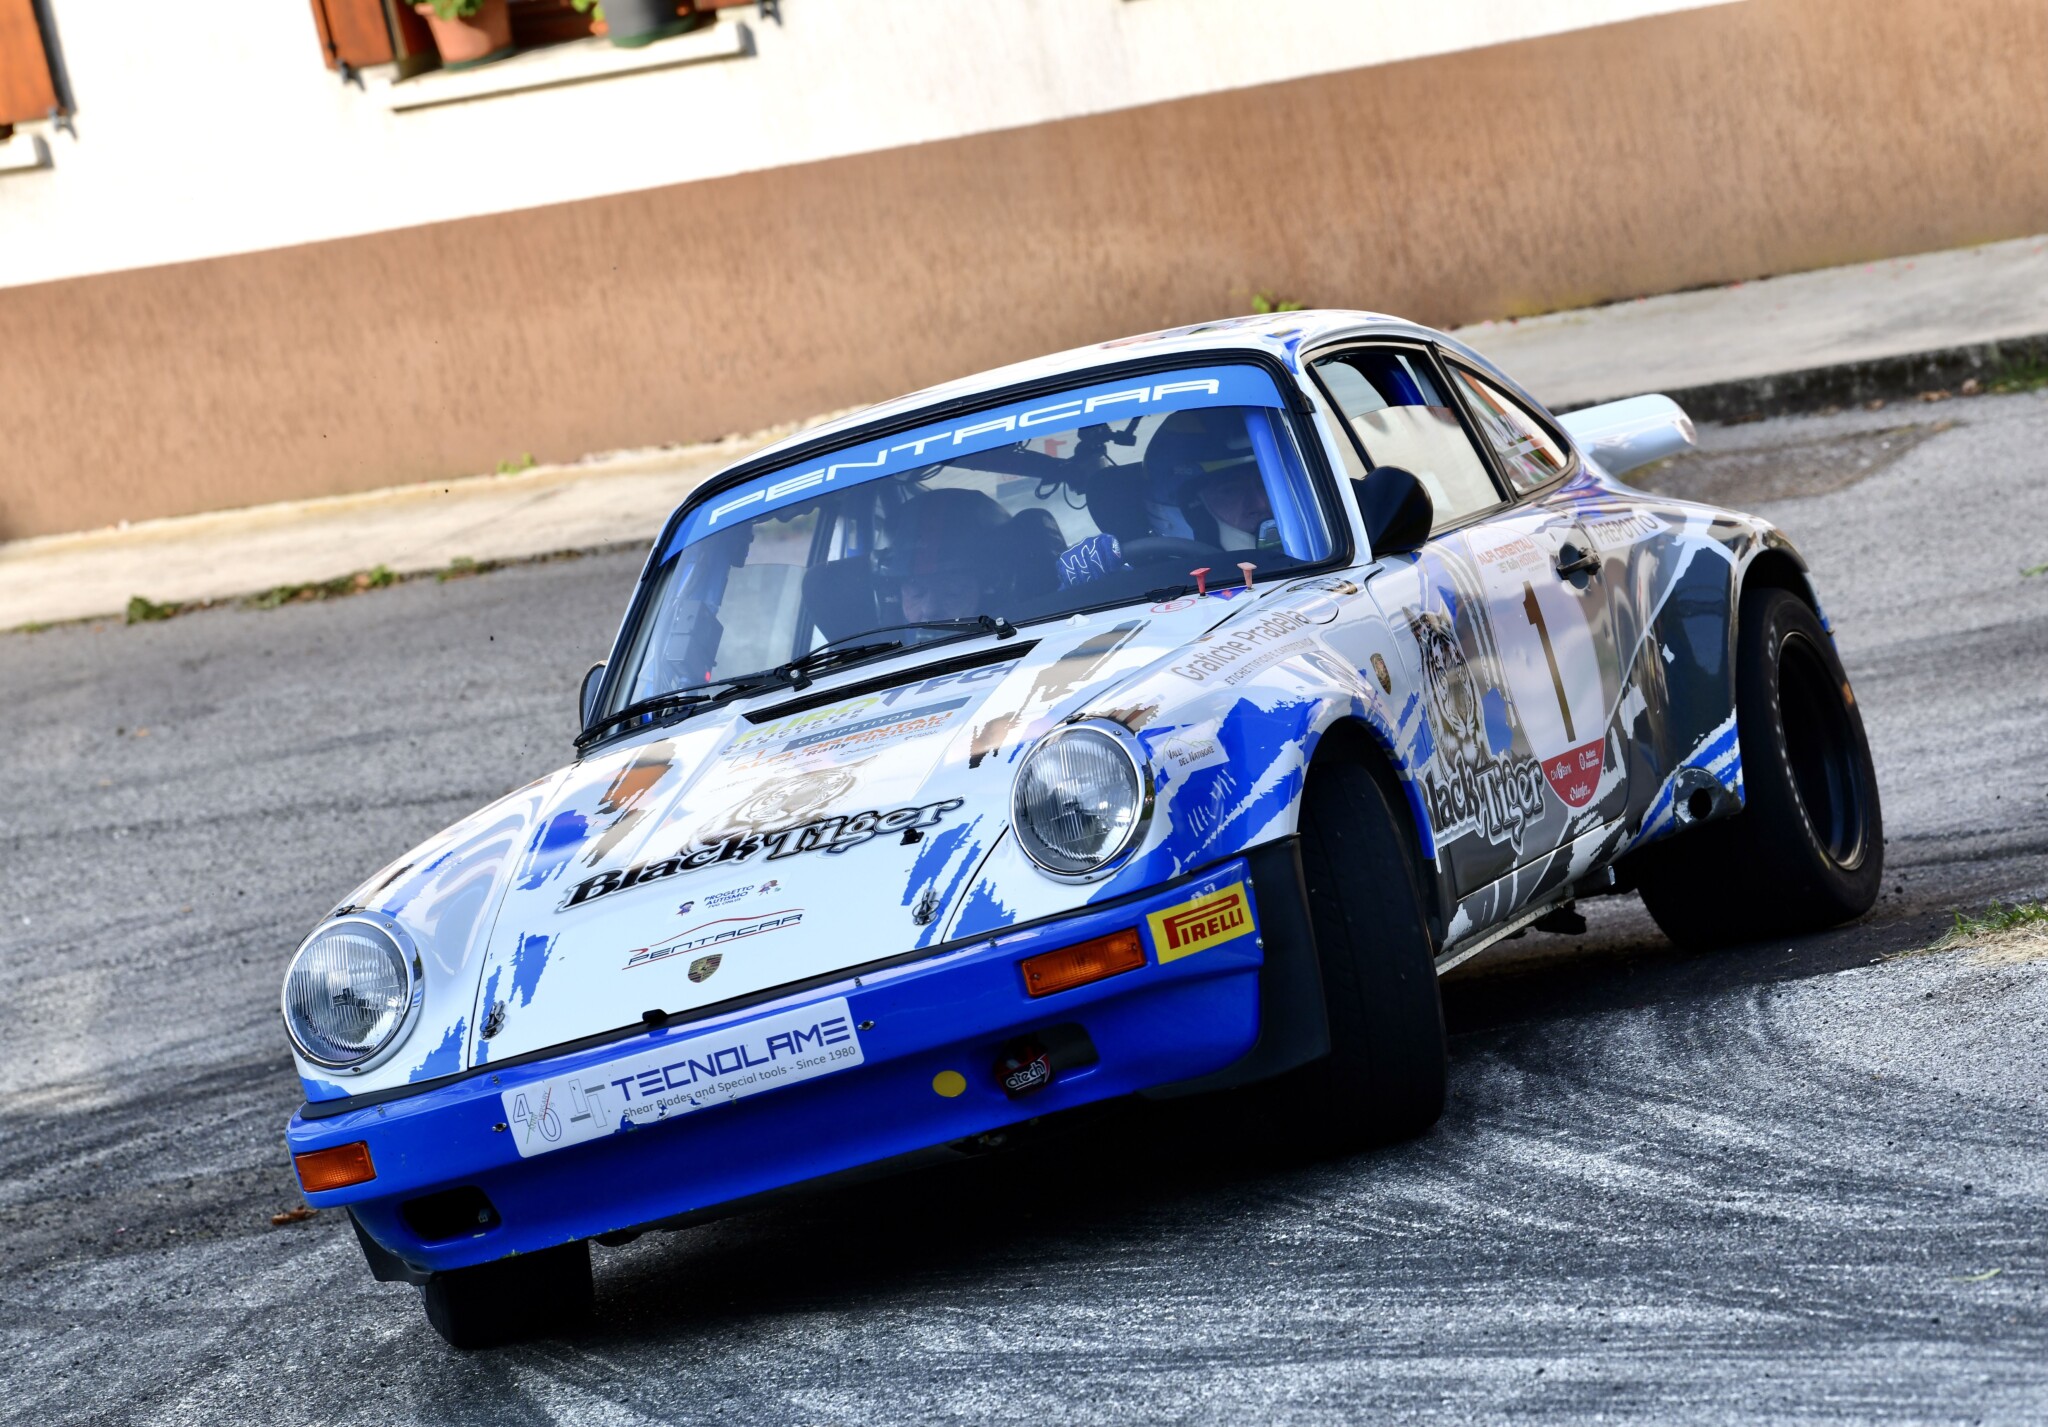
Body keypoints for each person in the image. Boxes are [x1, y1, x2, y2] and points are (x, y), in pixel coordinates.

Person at [884, 487, 1011, 622]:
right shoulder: (881, 633)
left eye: (952, 593)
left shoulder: (1022, 629)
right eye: (917, 594)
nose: (930, 610)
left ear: (986, 591)